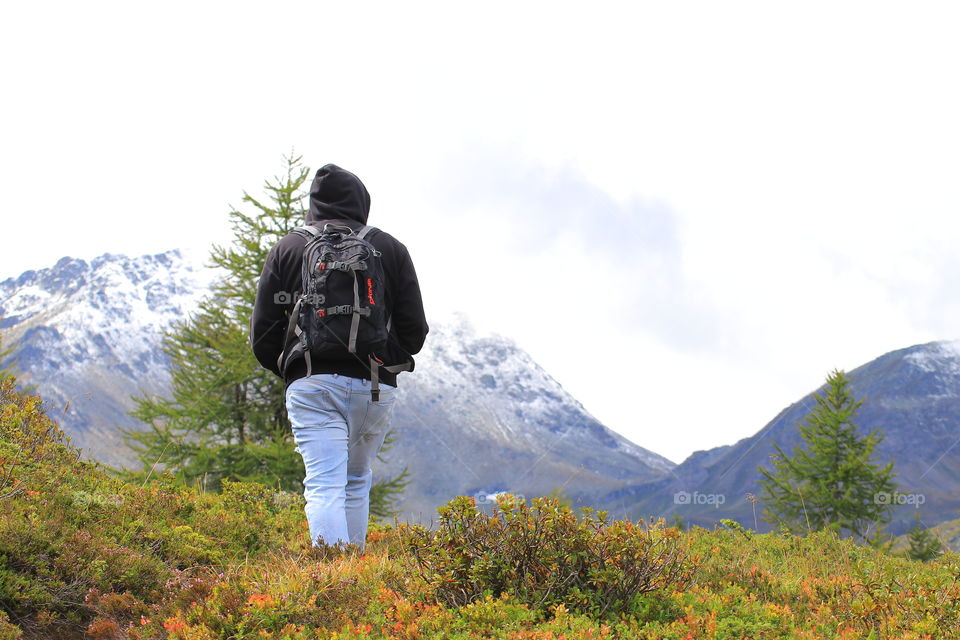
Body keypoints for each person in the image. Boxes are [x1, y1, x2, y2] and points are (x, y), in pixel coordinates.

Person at [250, 163, 428, 551]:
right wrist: (381, 360)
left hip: (312, 384)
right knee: (355, 480)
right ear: (362, 202)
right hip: (374, 388)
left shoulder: (289, 247)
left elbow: (263, 334)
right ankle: (355, 582)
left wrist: (294, 370)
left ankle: (333, 582)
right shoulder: (390, 248)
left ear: (314, 203)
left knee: (324, 482)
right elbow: (415, 332)